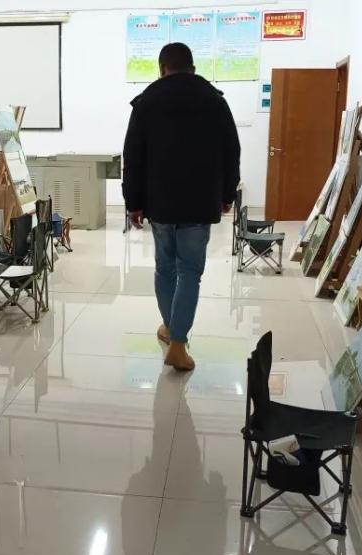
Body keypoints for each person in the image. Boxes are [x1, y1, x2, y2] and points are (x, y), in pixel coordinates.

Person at [122, 42, 240, 371]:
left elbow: (132, 156)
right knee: (189, 272)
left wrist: (133, 202)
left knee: (165, 269)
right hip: (199, 202)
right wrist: (227, 194)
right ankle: (177, 342)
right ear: (193, 67)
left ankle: (171, 328)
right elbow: (232, 150)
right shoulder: (214, 101)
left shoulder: (146, 102)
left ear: (162, 69)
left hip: (159, 203)